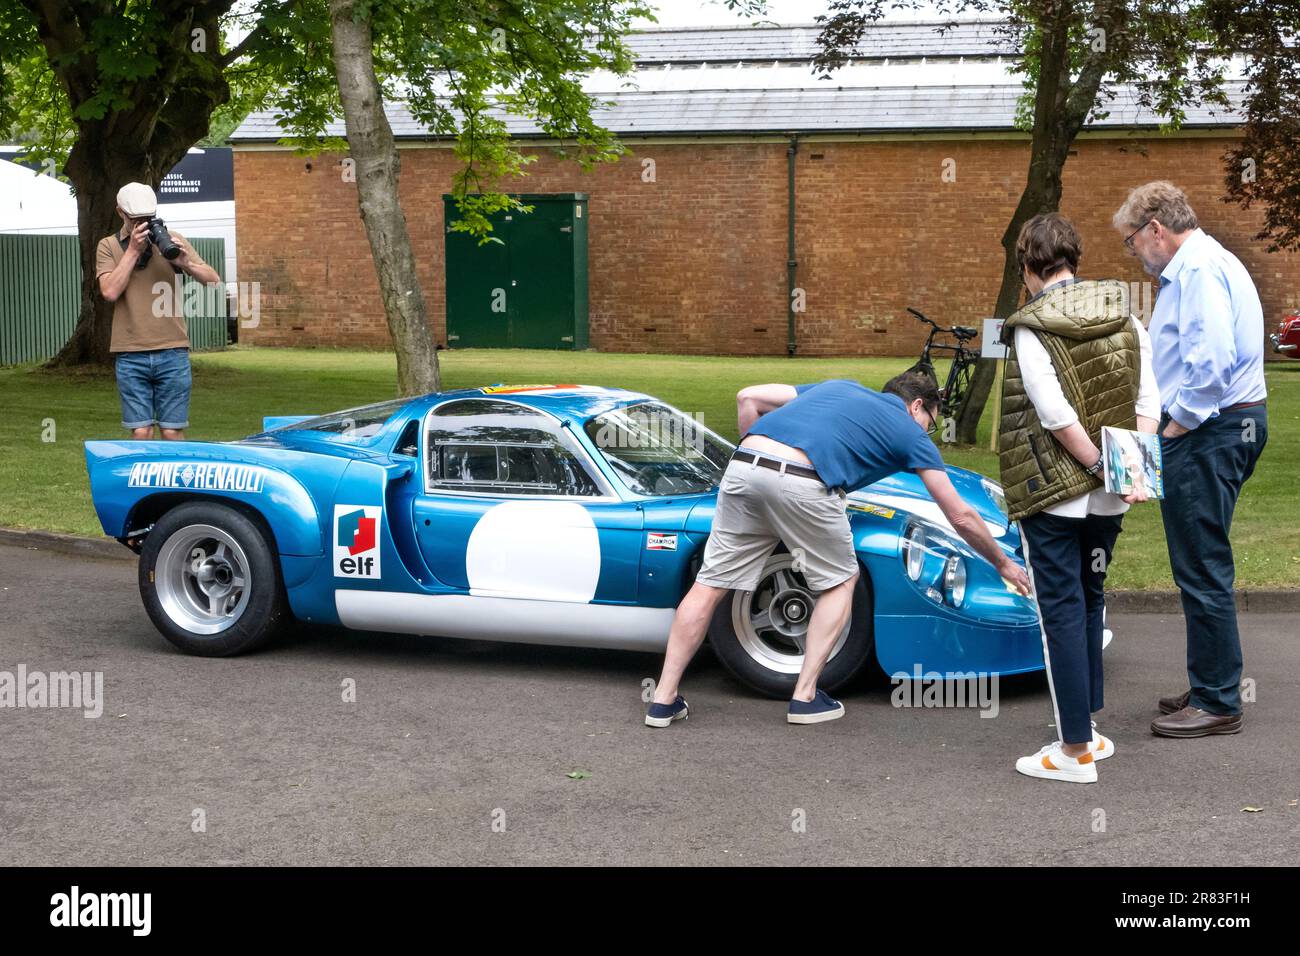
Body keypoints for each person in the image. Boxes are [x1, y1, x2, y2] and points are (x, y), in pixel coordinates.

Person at [645, 372, 1033, 728]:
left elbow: (748, 396)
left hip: (744, 465)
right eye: (930, 423)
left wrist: (761, 472)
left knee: (711, 584)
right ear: (918, 406)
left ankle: (662, 700)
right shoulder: (910, 433)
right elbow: (960, 515)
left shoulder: (839, 387)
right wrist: (1003, 565)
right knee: (840, 580)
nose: (926, 433)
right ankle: (805, 697)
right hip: (803, 480)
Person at [998, 212, 1160, 784]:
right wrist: (1127, 472)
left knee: (1060, 612)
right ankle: (1087, 729)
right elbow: (1148, 400)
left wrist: (1091, 463)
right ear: (1074, 260)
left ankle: (1073, 751)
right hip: (1111, 492)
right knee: (1091, 600)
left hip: (1053, 491)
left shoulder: (1029, 325)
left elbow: (1053, 414)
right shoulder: (1127, 316)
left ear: (1027, 267)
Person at [1113, 181, 1268, 738]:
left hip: (1208, 429)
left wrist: (1172, 429)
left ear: (1156, 228)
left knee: (1201, 566)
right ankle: (1211, 681)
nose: (1135, 254)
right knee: (1202, 560)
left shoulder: (1198, 272)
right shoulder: (1206, 262)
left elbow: (1210, 367)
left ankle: (1218, 700)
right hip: (1226, 426)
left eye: (1133, 242)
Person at [96, 182, 222, 441]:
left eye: (148, 218)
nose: (142, 224)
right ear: (120, 213)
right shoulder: (108, 246)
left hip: (172, 351)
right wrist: (132, 250)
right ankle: (144, 482)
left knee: (172, 431)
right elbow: (109, 292)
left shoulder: (171, 240)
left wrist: (185, 264)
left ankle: (177, 481)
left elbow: (213, 281)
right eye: (136, 219)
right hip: (131, 353)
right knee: (142, 431)